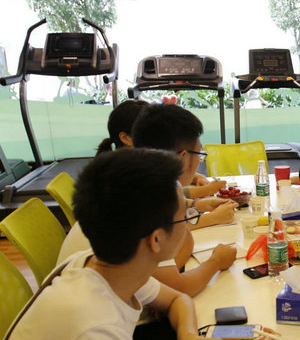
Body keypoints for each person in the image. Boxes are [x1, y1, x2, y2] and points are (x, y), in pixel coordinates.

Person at [0, 149, 283, 340]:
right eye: (185, 217)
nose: (190, 223)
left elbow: (177, 299)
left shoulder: (101, 265)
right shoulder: (91, 321)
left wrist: (188, 339)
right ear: (156, 240)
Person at [58, 104, 238, 297]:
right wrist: (216, 262)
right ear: (183, 158)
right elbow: (179, 288)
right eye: (200, 155)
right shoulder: (145, 196)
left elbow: (174, 255)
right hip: (96, 302)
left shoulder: (137, 178)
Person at [96, 99, 225, 197]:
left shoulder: (141, 165)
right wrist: (206, 191)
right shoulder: (128, 175)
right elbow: (170, 197)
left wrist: (195, 177)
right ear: (126, 138)